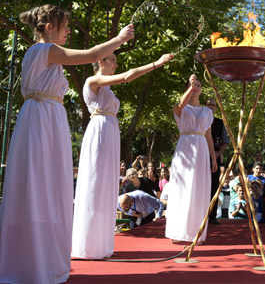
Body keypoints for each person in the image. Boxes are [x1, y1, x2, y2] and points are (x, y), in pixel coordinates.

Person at [0, 4, 133, 283]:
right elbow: (92, 55)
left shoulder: (46, 56)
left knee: (48, 187)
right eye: (65, 26)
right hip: (41, 121)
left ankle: (42, 257)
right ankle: (32, 261)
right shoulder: (44, 50)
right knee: (38, 186)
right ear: (50, 27)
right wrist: (120, 38)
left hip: (47, 118)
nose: (69, 31)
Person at [71, 52, 173, 259]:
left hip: (109, 132)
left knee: (106, 186)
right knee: (95, 183)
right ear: (100, 61)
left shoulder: (106, 87)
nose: (116, 64)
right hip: (99, 132)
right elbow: (128, 76)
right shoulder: (93, 81)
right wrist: (156, 63)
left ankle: (100, 242)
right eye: (113, 60)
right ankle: (88, 244)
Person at [165, 74, 217, 244]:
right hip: (185, 146)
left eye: (199, 84)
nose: (197, 87)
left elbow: (209, 136)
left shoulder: (207, 111)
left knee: (198, 189)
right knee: (182, 187)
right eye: (193, 84)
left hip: (201, 148)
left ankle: (196, 232)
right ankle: (177, 231)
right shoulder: (181, 108)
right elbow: (180, 105)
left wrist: (213, 158)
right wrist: (190, 88)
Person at [206, 98, 230, 225]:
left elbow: (226, 141)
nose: (210, 106)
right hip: (200, 158)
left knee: (214, 186)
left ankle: (212, 216)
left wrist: (218, 154)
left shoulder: (220, 123)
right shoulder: (199, 120)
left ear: (216, 108)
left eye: (213, 105)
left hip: (213, 158)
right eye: (208, 104)